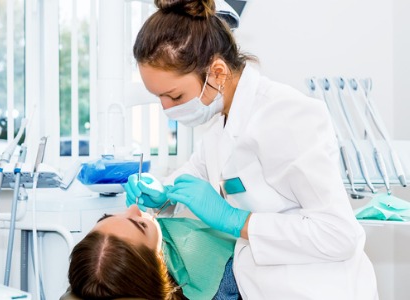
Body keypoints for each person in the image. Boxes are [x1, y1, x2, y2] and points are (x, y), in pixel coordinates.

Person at [123, 0, 379, 299]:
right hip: (259, 285)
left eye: (175, 96)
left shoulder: (286, 116)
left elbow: (339, 235)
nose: (167, 109)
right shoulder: (221, 121)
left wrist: (236, 220)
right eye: (159, 98)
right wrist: (162, 193)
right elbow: (195, 174)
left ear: (217, 72)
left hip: (317, 288)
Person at [67, 204, 239, 300]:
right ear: (158, 261)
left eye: (108, 216)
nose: (133, 208)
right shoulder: (224, 281)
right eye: (141, 225)